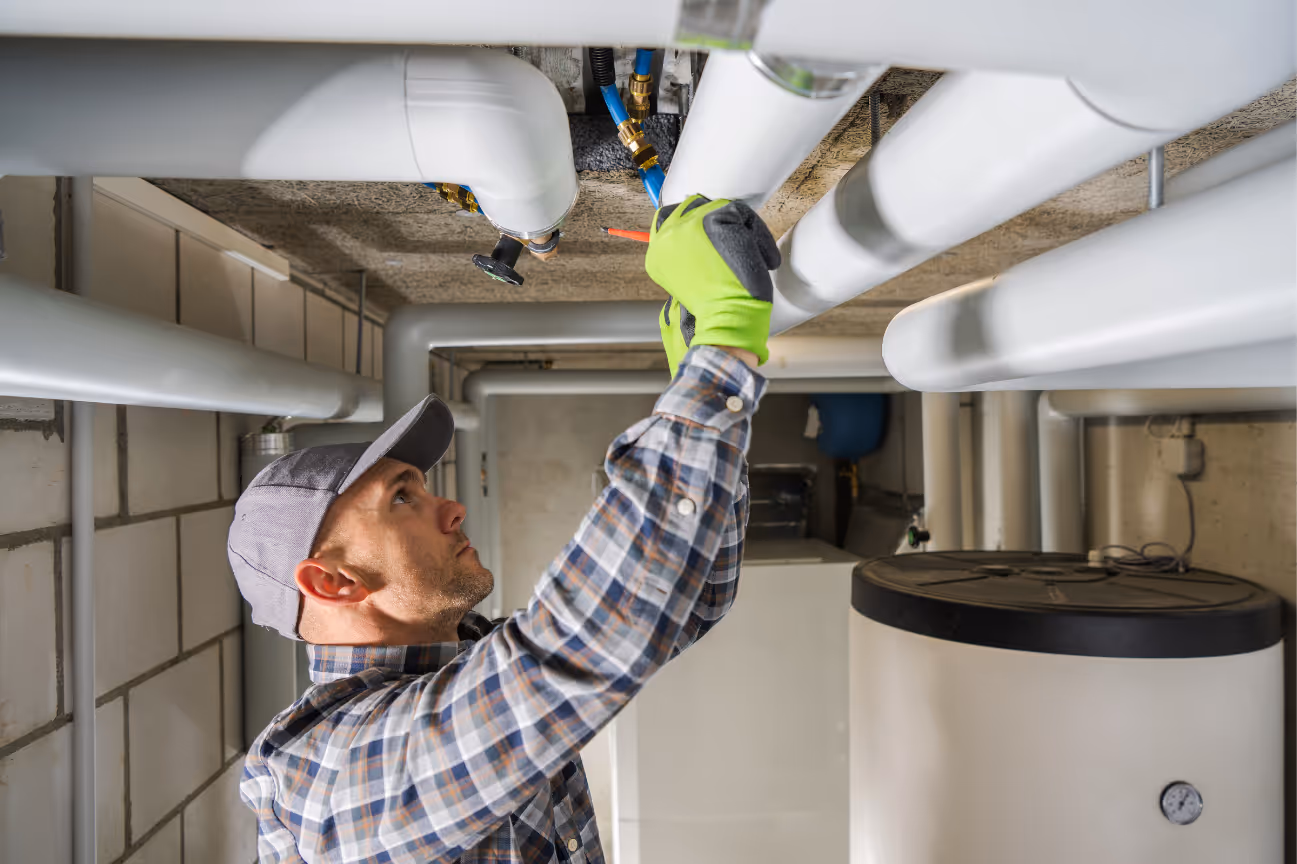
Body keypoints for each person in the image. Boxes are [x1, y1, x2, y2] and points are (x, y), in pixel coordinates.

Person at [229, 195, 782, 863]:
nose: (450, 508)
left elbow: (684, 602)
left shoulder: (462, 668)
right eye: (402, 500)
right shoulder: (325, 772)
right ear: (331, 580)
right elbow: (572, 651)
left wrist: (702, 377)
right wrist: (721, 348)